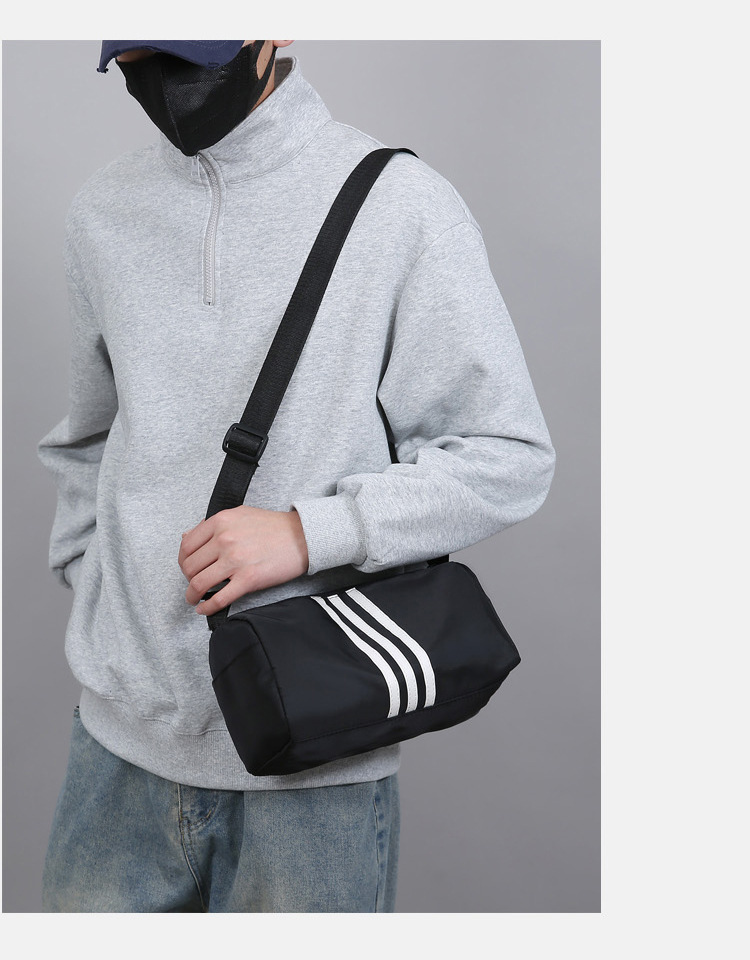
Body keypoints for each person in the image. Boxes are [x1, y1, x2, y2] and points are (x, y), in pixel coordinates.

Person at [37, 40, 556, 913]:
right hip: (117, 753)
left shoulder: (402, 207)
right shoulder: (103, 213)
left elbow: (508, 455)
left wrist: (309, 533)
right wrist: (101, 596)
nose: (162, 82)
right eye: (135, 59)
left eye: (184, 57)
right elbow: (88, 437)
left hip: (315, 761)